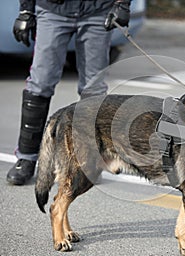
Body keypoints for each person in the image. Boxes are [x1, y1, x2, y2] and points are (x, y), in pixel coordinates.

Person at [7, 0, 131, 185]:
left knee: (93, 89)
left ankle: (90, 161)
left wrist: (123, 4)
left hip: (97, 11)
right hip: (53, 10)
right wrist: (26, 10)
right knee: (40, 83)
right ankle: (26, 158)